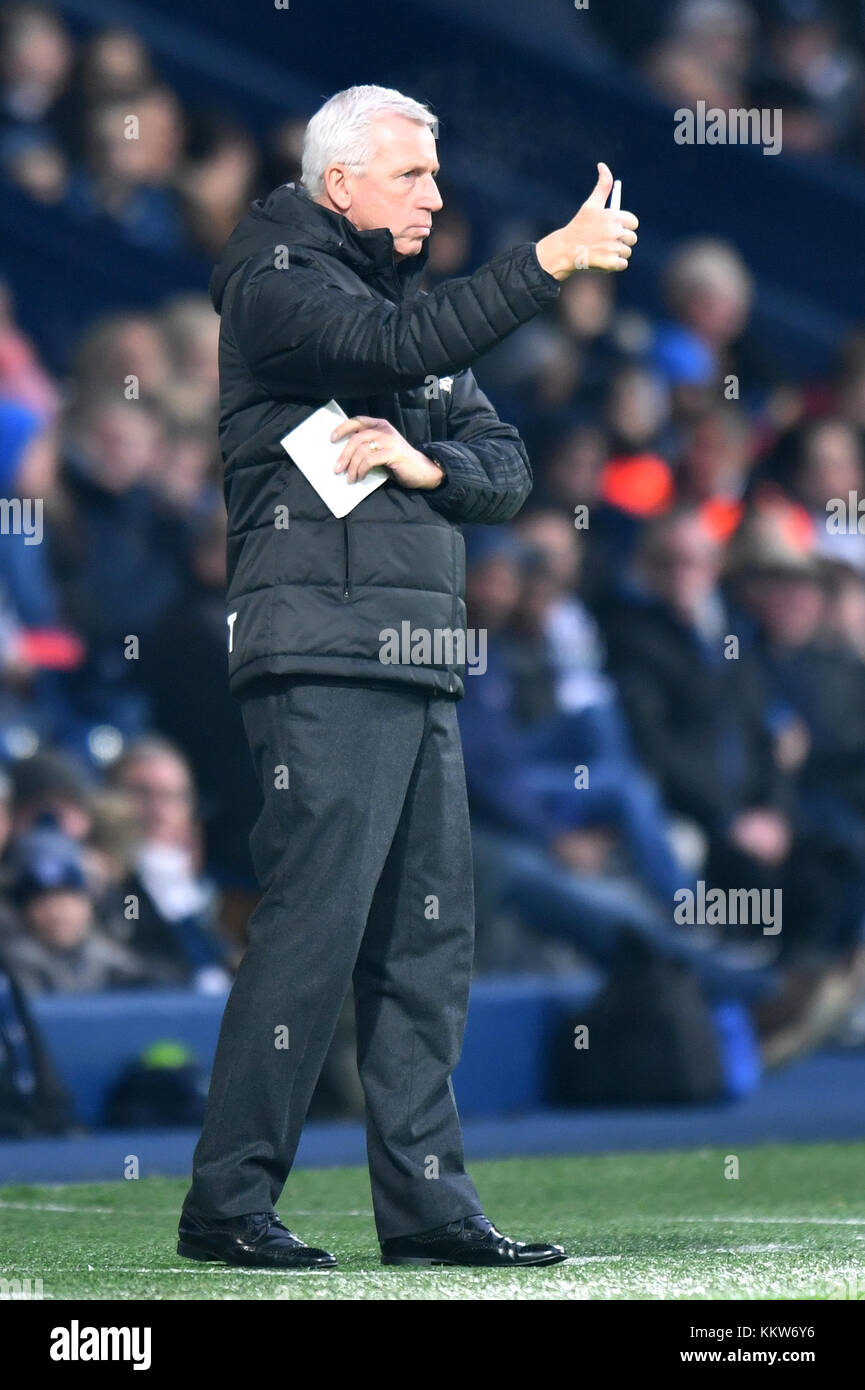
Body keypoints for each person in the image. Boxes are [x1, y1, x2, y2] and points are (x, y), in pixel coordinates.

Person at [178, 83, 638, 1271]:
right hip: (321, 648)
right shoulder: (277, 279)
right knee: (314, 930)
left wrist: (419, 462)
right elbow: (390, 351)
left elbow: (505, 471)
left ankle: (428, 1208)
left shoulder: (404, 309)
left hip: (415, 655)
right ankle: (227, 1203)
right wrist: (547, 264)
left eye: (434, 177)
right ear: (339, 185)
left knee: (428, 942)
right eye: (412, 177)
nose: (436, 197)